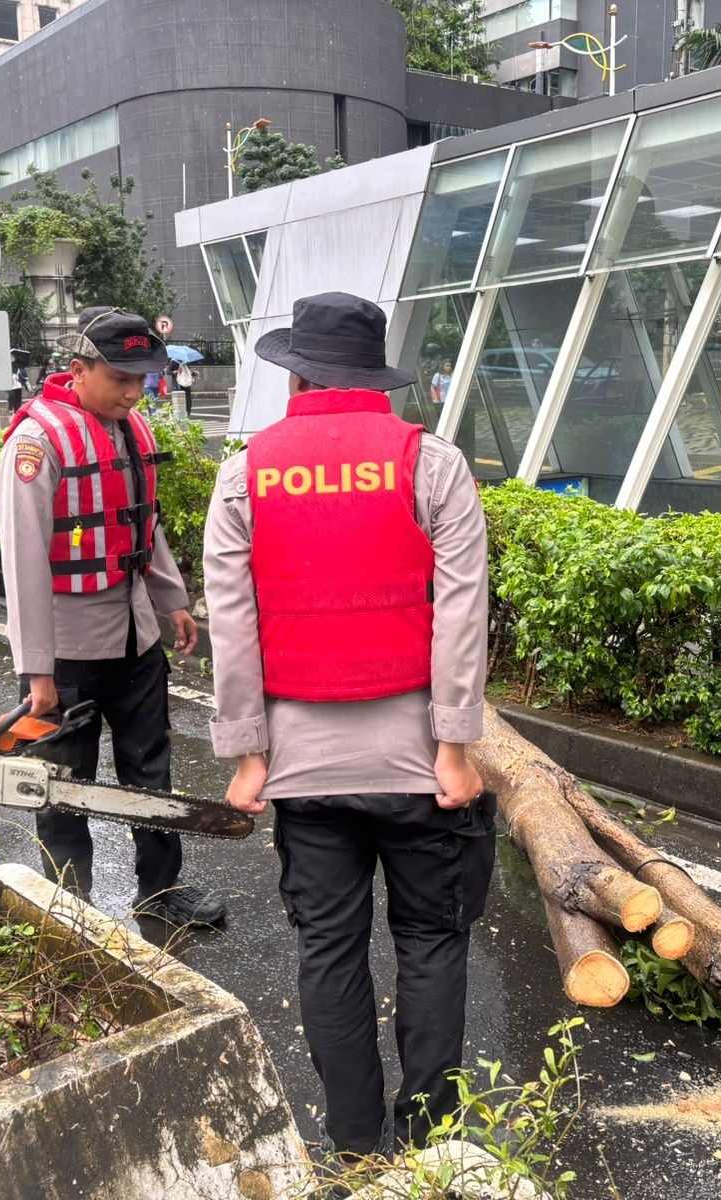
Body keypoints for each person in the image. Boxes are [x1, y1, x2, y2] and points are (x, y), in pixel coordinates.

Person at [203, 292, 491, 1158]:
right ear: (377, 380)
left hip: (304, 769)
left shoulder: (246, 471)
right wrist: (455, 747)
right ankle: (431, 1145)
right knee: (431, 942)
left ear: (296, 376)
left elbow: (232, 620)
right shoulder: (432, 463)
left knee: (329, 950)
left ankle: (359, 1151)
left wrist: (248, 755)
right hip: (420, 768)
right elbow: (462, 611)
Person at [0, 307, 227, 927]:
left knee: (151, 770)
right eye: (120, 379)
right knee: (62, 786)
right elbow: (22, 561)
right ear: (79, 371)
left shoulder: (131, 431)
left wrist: (171, 601)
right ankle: (69, 907)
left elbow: (142, 525)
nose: (133, 392)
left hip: (135, 637)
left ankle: (160, 891)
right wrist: (37, 672)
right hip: (65, 650)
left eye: (142, 379)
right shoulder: (37, 443)